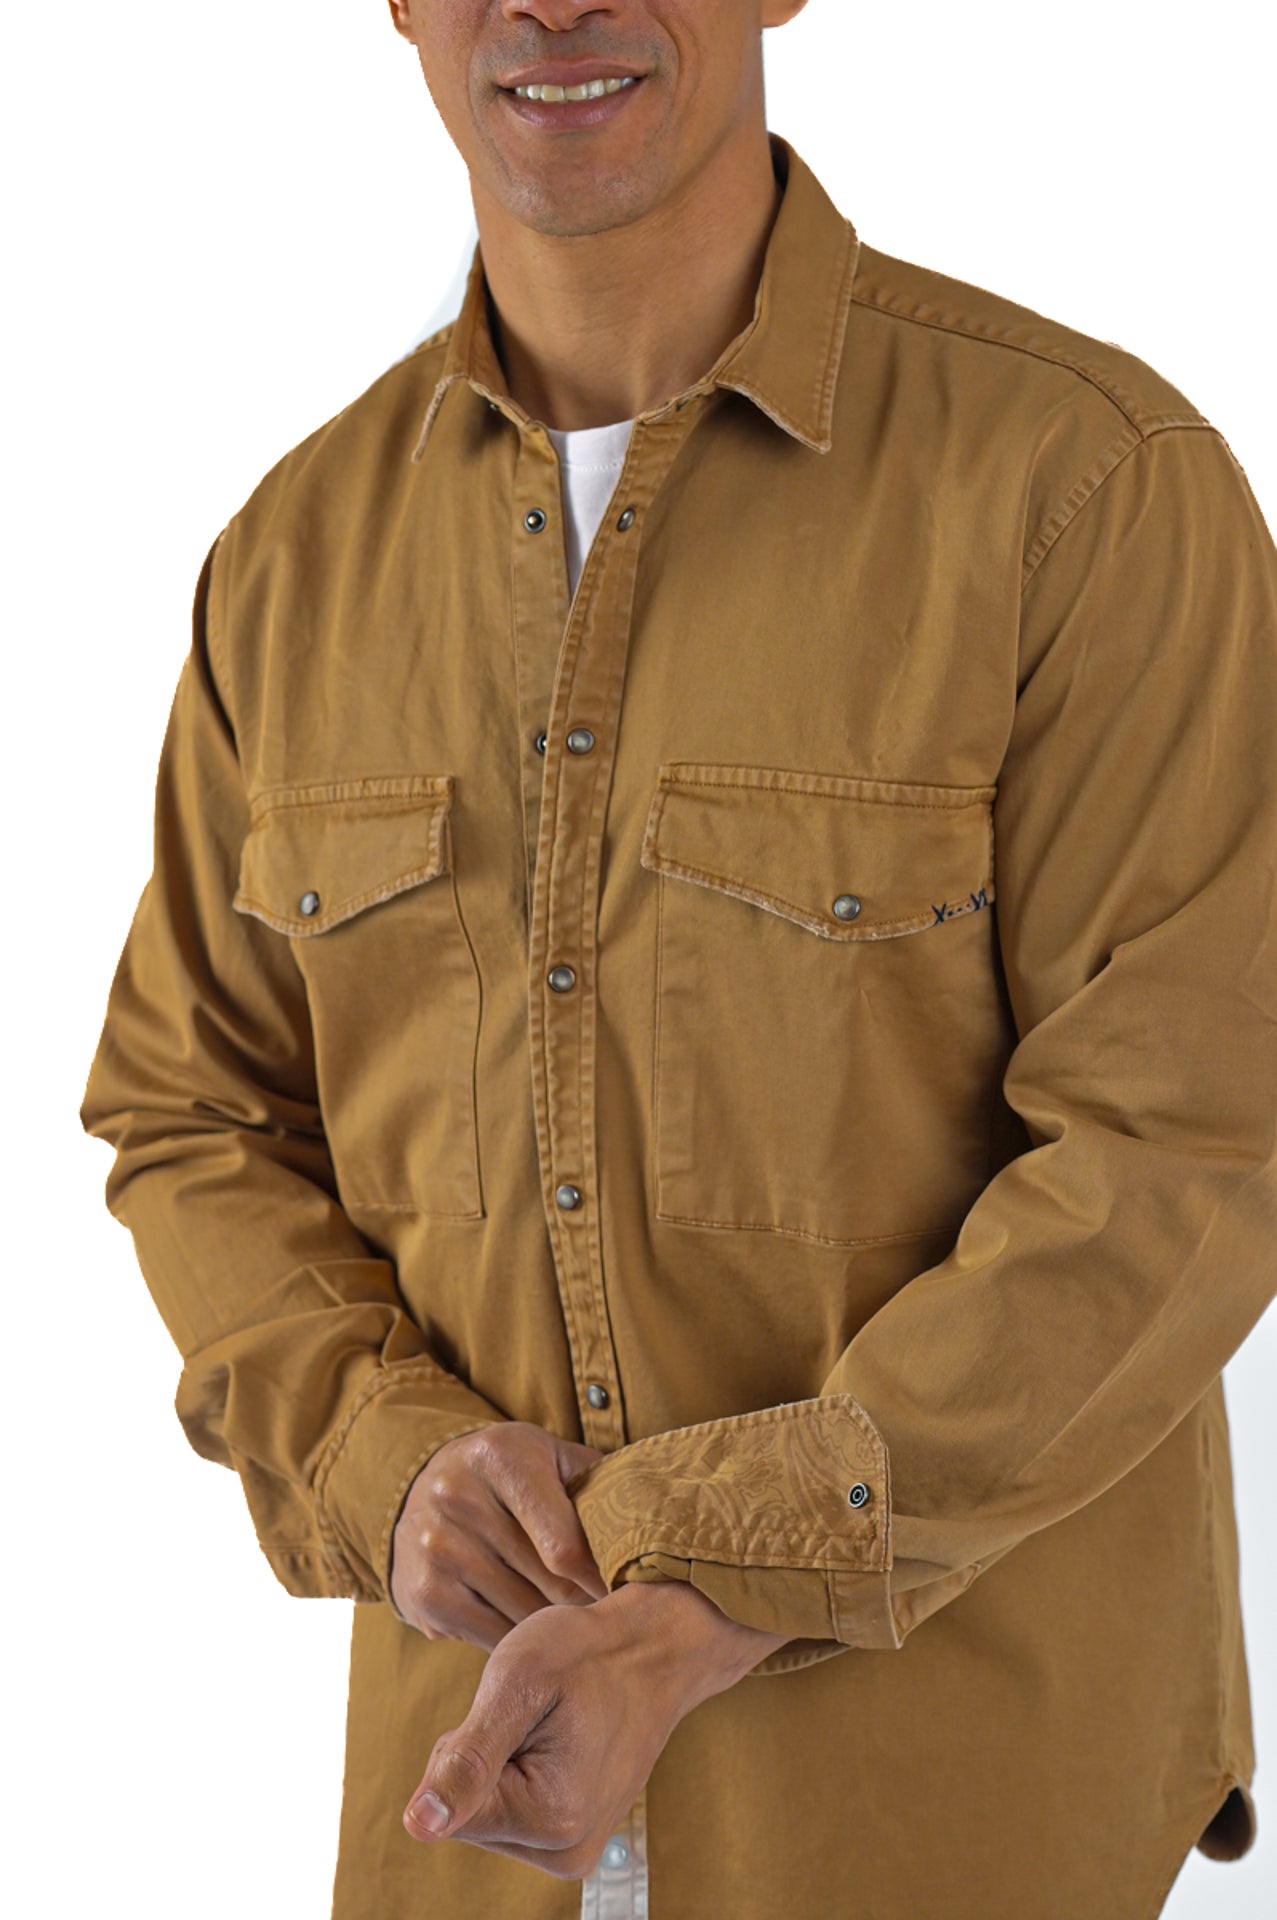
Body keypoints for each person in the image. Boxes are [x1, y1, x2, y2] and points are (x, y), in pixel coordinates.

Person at [77, 2, 1277, 1916]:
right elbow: (190, 1112)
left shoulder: (1080, 487)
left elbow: (1188, 1146)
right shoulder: (292, 560)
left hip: (945, 1827)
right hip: (461, 1841)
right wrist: (384, 1462)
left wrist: (712, 1567)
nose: (550, 7)